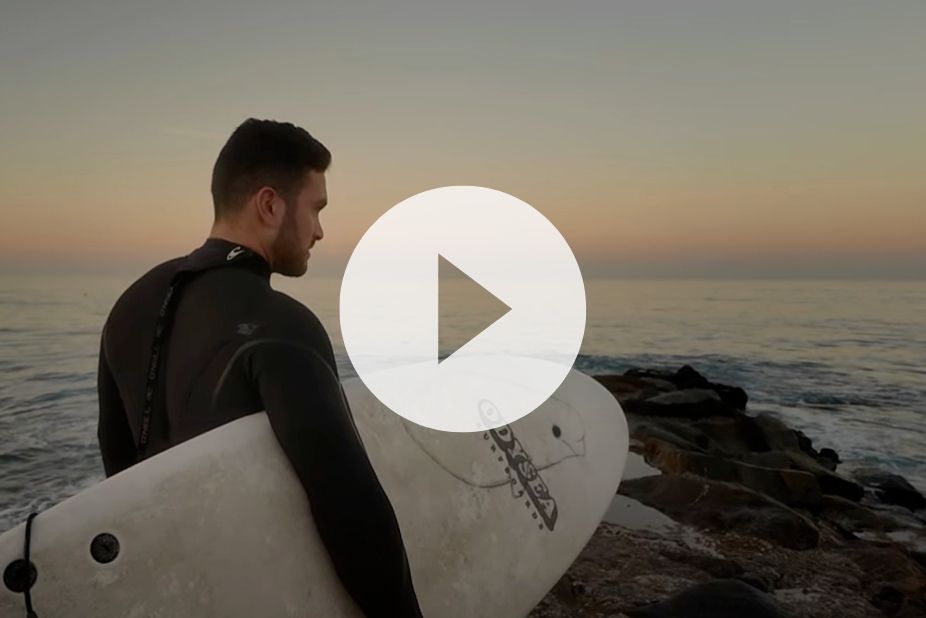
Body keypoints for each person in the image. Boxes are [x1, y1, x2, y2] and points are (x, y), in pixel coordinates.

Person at [96, 118, 423, 617]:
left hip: (168, 592)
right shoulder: (281, 326)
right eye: (315, 209)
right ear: (270, 204)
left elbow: (116, 472)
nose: (319, 230)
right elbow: (351, 512)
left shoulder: (129, 307)